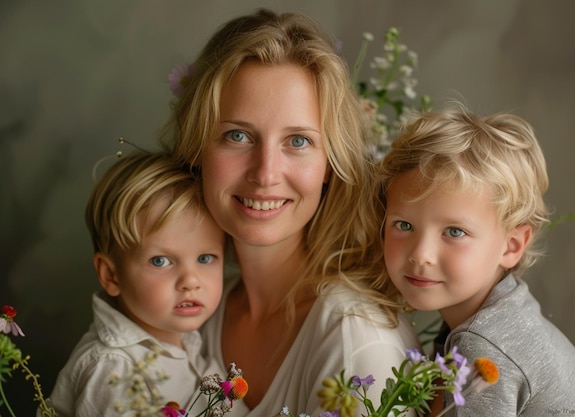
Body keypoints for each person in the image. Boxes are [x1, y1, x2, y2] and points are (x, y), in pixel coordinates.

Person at [160, 8, 419, 417]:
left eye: (297, 141)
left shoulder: (356, 340)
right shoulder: (193, 313)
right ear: (197, 151)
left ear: (331, 165)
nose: (265, 173)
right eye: (237, 135)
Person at [378, 105, 575, 416]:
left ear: (511, 246)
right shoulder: (494, 317)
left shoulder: (488, 346)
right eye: (404, 225)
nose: (420, 254)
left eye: (454, 231)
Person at [42, 151, 225, 416]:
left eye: (205, 258)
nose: (190, 281)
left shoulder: (189, 341)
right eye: (160, 261)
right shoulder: (114, 370)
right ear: (111, 276)